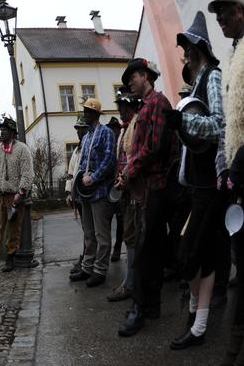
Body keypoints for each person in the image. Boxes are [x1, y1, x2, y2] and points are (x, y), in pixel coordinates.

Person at [162, 11, 225, 350]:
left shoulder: (212, 76)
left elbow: (217, 125)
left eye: (187, 49)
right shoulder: (196, 82)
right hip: (195, 182)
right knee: (198, 254)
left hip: (207, 182)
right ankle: (194, 318)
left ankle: (198, 325)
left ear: (199, 48)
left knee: (194, 254)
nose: (184, 55)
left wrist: (182, 123)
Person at [116, 58, 175, 337]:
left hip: (156, 186)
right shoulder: (145, 108)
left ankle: (139, 307)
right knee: (151, 249)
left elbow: (151, 148)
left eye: (132, 78)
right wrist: (129, 173)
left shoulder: (158, 103)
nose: (129, 83)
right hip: (148, 187)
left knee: (144, 250)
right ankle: (151, 305)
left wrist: (128, 172)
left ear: (144, 76)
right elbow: (140, 150)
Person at [208, 0, 244, 364]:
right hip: (238, 182)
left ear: (240, 10)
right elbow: (229, 124)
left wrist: (240, 162)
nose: (221, 21)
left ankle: (233, 343)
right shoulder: (234, 56)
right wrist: (225, 169)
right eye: (216, 16)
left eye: (224, 13)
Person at [69, 98, 117, 288]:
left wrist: (95, 178)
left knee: (101, 233)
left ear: (95, 114)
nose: (85, 114)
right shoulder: (87, 137)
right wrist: (78, 185)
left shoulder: (106, 133)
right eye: (85, 111)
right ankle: (87, 267)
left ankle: (100, 270)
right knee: (88, 233)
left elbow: (109, 159)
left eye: (88, 112)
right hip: (86, 193)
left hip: (100, 191)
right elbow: (82, 164)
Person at [0, 115, 33, 273]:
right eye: (1, 130)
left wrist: (21, 192)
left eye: (5, 130)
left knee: (13, 229)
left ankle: (10, 258)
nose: (2, 133)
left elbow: (27, 173)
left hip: (14, 196)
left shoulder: (22, 149)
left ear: (13, 133)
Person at [107, 87, 143, 303]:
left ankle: (132, 282)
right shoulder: (124, 128)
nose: (119, 110)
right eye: (119, 106)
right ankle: (132, 279)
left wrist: (125, 177)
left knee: (133, 232)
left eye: (122, 106)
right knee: (129, 231)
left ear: (130, 107)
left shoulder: (137, 124)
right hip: (124, 186)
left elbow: (135, 156)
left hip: (135, 186)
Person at [65, 117, 90, 275]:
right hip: (78, 195)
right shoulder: (76, 150)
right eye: (78, 129)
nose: (79, 131)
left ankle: (88, 258)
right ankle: (86, 257)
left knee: (90, 229)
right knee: (86, 229)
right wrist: (69, 192)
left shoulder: (89, 146)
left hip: (88, 193)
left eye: (82, 128)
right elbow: (71, 173)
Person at [106, 117, 125, 263]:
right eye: (111, 129)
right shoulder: (109, 145)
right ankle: (108, 249)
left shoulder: (123, 143)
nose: (113, 131)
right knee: (106, 221)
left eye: (115, 128)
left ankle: (118, 248)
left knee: (121, 221)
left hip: (121, 188)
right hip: (108, 189)